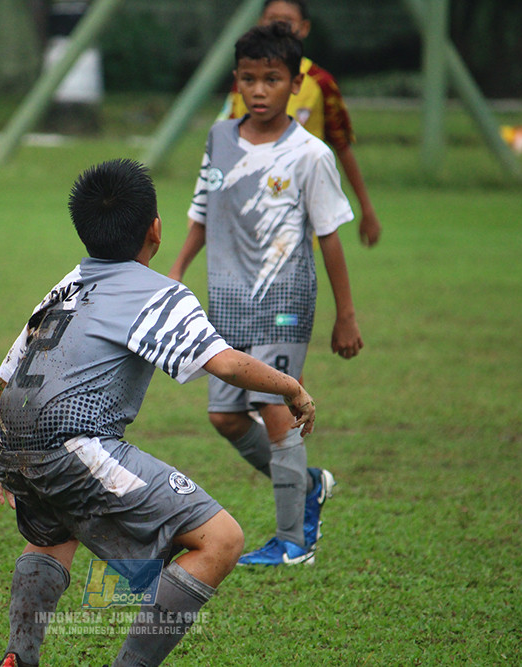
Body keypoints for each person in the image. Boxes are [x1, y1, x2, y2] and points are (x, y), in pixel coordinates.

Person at [0, 158, 317, 667]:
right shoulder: (157, 293)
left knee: (52, 535)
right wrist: (292, 388)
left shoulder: (66, 285)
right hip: (76, 445)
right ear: (155, 230)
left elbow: (8, 375)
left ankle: (18, 658)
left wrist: (14, 457)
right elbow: (225, 363)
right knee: (221, 540)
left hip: (12, 440)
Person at [168, 23, 362, 567]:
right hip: (227, 301)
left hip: (285, 298)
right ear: (236, 80)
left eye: (271, 79)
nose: (259, 90)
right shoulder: (219, 139)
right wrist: (177, 266)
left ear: (293, 82)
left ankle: (293, 542)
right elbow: (203, 210)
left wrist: (346, 314)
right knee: (225, 417)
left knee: (272, 404)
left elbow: (329, 237)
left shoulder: (310, 155)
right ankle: (307, 484)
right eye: (249, 79)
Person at [217, 0, 382, 248]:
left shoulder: (320, 83)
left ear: (304, 28)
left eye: (286, 22)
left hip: (296, 209)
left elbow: (342, 146)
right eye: (272, 20)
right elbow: (227, 144)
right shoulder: (244, 79)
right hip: (248, 207)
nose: (258, 89)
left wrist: (366, 209)